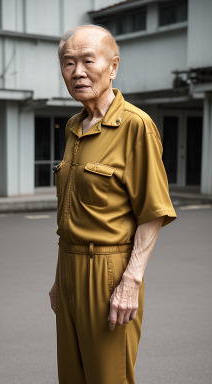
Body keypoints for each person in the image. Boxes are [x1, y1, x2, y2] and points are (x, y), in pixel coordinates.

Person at [49, 24, 177, 384]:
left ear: (113, 66)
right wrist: (61, 277)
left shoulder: (136, 125)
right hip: (69, 266)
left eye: (88, 61)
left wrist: (131, 281)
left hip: (108, 270)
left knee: (108, 378)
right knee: (72, 376)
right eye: (68, 63)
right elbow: (74, 212)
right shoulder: (75, 125)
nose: (77, 72)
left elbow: (153, 211)